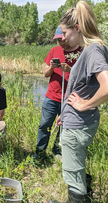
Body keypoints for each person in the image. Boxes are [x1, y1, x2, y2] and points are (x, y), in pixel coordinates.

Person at [49, 1, 108, 203]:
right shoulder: (91, 49)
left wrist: (85, 104)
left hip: (77, 126)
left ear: (77, 28)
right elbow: (82, 87)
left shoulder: (93, 50)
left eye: (64, 33)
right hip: (74, 122)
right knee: (76, 169)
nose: (62, 38)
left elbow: (107, 87)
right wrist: (64, 114)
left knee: (73, 177)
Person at [34, 25, 82, 159]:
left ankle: (58, 150)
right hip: (51, 96)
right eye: (58, 40)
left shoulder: (80, 52)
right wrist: (51, 67)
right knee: (44, 125)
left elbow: (83, 76)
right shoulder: (54, 51)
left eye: (63, 39)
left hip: (69, 98)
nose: (61, 42)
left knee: (65, 126)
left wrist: (69, 69)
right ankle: (40, 151)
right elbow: (45, 74)